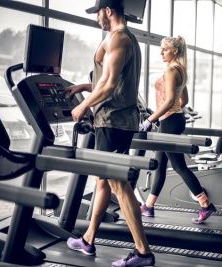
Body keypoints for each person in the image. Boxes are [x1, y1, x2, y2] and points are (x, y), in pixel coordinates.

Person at [63, 0, 154, 266]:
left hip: (112, 122)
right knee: (102, 182)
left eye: (98, 13)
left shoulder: (118, 39)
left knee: (118, 185)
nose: (96, 19)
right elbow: (108, 79)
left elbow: (111, 83)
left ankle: (143, 253)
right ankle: (88, 239)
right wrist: (83, 86)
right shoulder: (127, 39)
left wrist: (83, 104)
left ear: (109, 11)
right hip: (116, 121)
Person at [139, 35, 217, 224]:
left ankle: (205, 204)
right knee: (159, 164)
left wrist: (151, 119)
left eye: (164, 49)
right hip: (173, 119)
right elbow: (184, 101)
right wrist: (168, 114)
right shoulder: (181, 70)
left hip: (169, 121)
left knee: (178, 166)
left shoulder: (171, 70)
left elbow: (168, 101)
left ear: (175, 51)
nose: (161, 52)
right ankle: (148, 205)